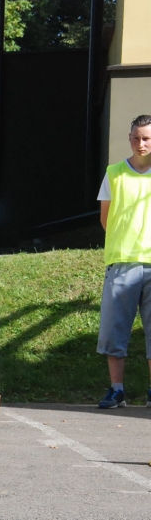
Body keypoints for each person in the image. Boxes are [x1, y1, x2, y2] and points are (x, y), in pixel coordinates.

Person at [96, 114, 151, 409]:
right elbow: (106, 218)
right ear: (129, 138)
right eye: (136, 137)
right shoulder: (114, 173)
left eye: (146, 138)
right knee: (114, 331)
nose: (140, 143)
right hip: (122, 264)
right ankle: (117, 389)